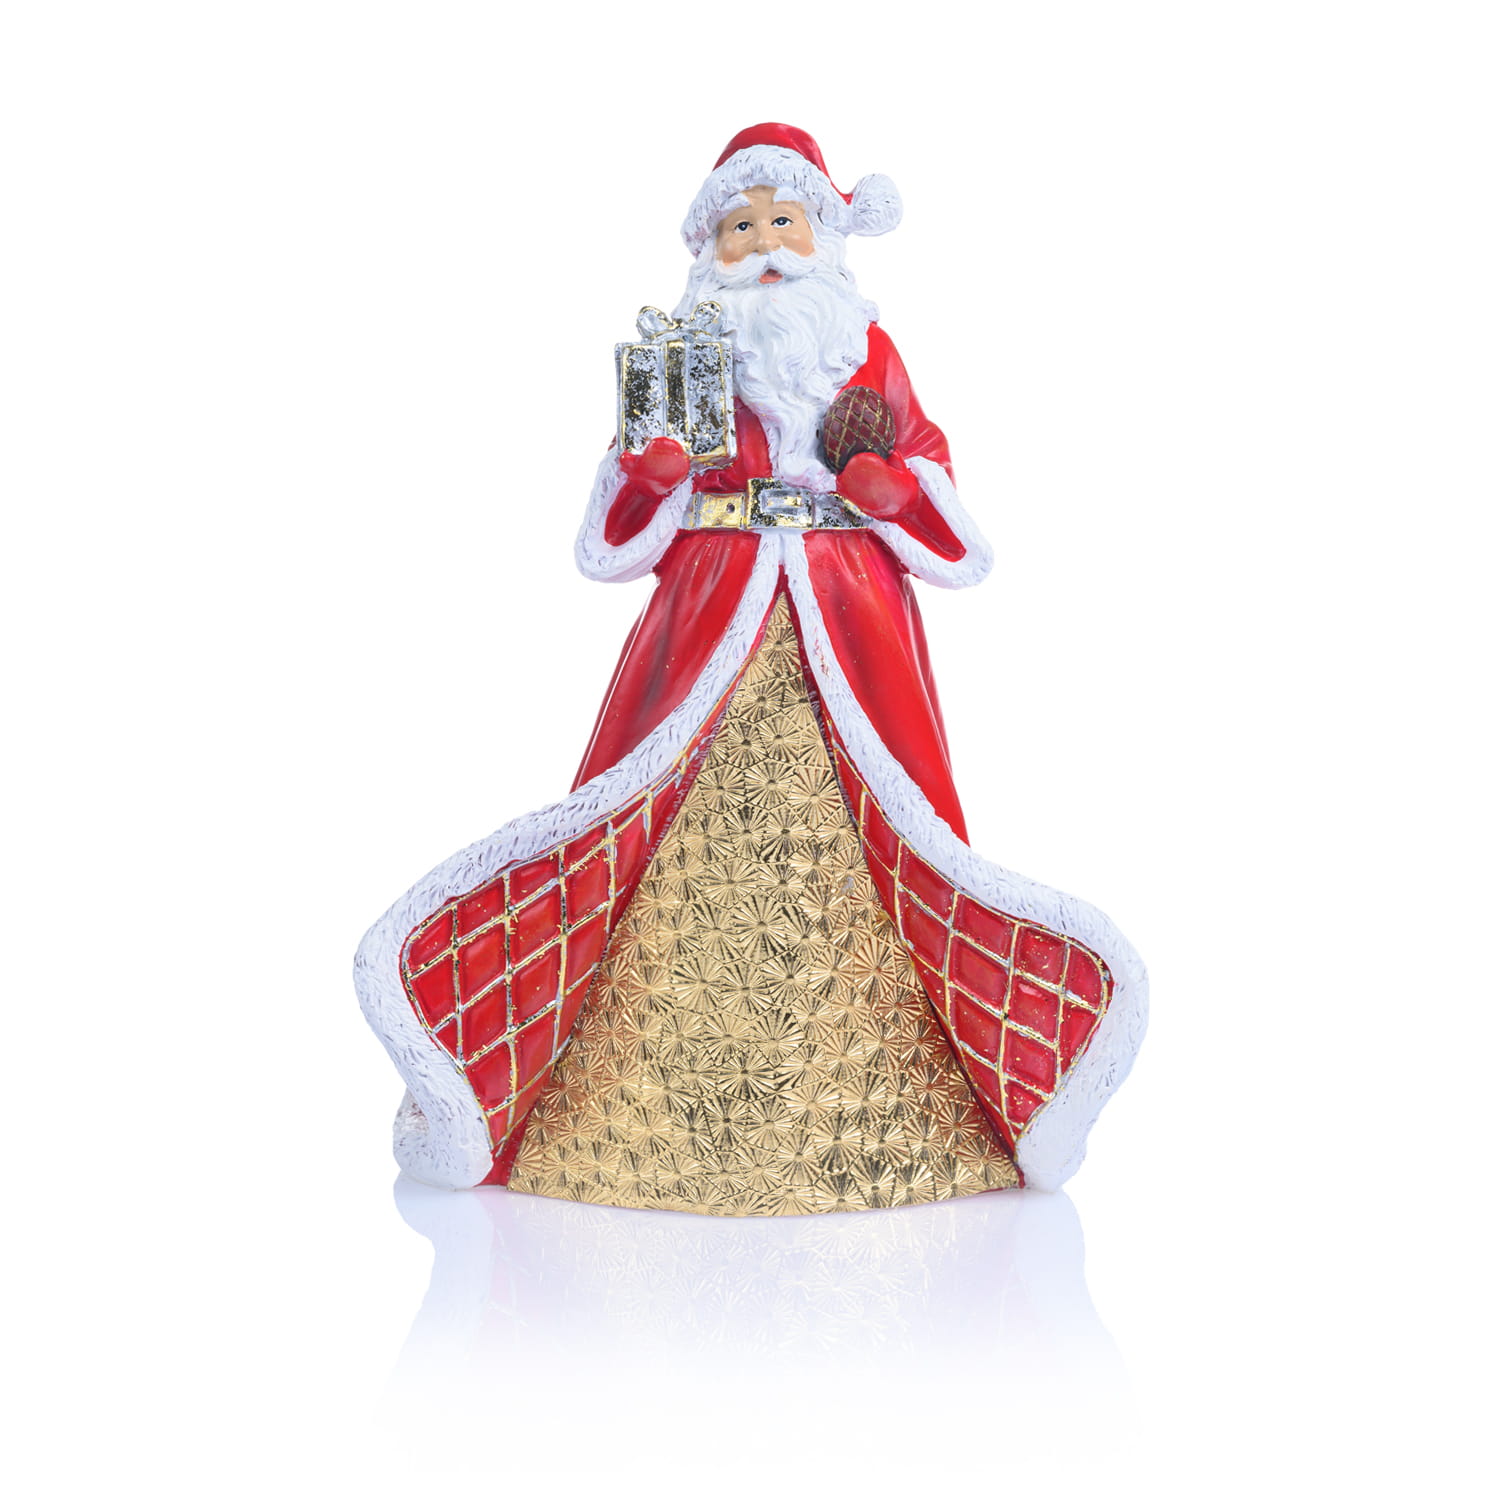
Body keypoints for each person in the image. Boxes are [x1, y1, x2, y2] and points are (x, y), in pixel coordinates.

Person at [357, 125, 1146, 1214]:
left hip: (846, 613)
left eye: (784, 222)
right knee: (648, 798)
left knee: (889, 803)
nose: (765, 245)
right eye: (740, 226)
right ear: (708, 247)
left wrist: (896, 493)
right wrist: (649, 476)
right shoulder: (685, 353)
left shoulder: (864, 351)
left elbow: (937, 486)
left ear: (824, 234)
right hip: (711, 606)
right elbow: (613, 540)